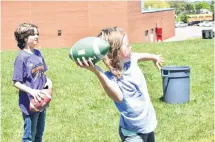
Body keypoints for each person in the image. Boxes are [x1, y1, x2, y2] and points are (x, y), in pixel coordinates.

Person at [76, 27, 164, 142]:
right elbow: (118, 97)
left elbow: (139, 55)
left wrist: (154, 57)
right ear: (115, 51)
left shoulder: (132, 60)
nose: (130, 47)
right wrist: (97, 71)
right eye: (127, 45)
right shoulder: (111, 77)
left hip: (147, 124)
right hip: (132, 132)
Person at [13, 23, 51, 142]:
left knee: (39, 134)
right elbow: (16, 82)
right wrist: (32, 91)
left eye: (37, 34)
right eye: (33, 34)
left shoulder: (38, 54)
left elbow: (43, 75)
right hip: (30, 103)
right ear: (24, 38)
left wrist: (49, 88)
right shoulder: (21, 58)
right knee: (30, 136)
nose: (37, 36)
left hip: (41, 101)